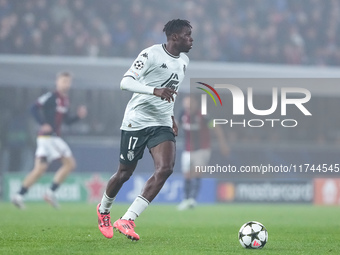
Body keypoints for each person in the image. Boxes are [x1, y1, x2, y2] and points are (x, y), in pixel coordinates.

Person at [97, 19, 193, 241]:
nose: (191, 39)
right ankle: (103, 211)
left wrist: (171, 116)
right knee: (124, 173)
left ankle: (128, 219)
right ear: (175, 37)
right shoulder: (150, 54)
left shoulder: (185, 61)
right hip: (137, 121)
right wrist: (154, 90)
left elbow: (172, 90)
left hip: (161, 122)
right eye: (188, 34)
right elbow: (125, 82)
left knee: (166, 168)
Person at [11, 72, 87, 209]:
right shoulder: (51, 96)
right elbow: (33, 108)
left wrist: (78, 116)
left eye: (68, 82)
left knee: (40, 169)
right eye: (63, 81)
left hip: (48, 138)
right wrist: (42, 123)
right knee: (70, 164)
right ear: (57, 82)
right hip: (49, 138)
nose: (66, 84)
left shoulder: (65, 100)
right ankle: (50, 192)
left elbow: (67, 121)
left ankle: (19, 195)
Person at [177, 96, 229, 210]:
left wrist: (222, 143)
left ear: (195, 103)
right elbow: (177, 126)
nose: (188, 107)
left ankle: (192, 199)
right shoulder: (183, 114)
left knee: (196, 172)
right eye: (186, 104)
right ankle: (185, 199)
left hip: (202, 149)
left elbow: (216, 128)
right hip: (187, 149)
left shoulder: (204, 116)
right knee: (186, 174)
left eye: (190, 104)